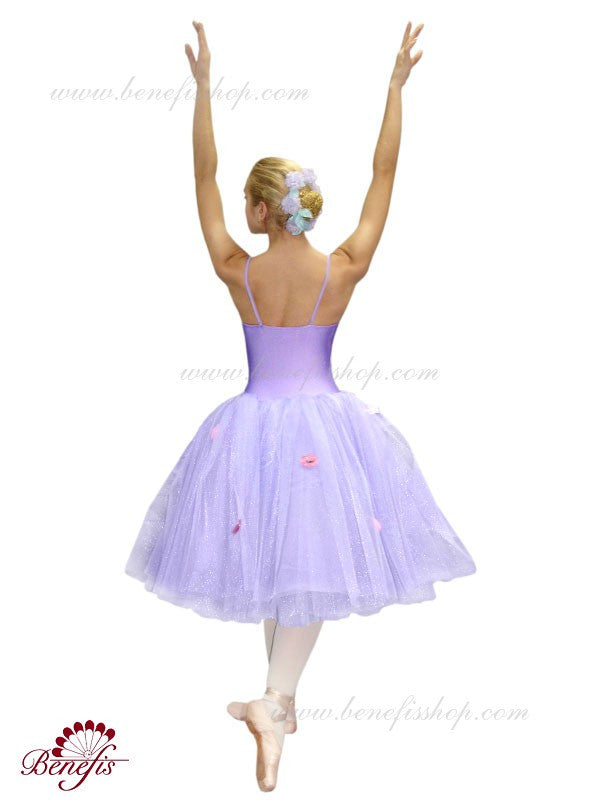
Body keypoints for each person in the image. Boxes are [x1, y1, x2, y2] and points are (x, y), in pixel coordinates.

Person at [125, 19, 476, 792]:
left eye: (247, 202)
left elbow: (201, 177)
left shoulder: (237, 270)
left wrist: (203, 91)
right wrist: (394, 90)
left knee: (278, 561)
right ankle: (275, 706)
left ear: (260, 210)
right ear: (305, 208)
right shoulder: (343, 268)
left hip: (249, 428)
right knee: (299, 562)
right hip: (325, 427)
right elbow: (385, 173)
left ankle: (275, 705)